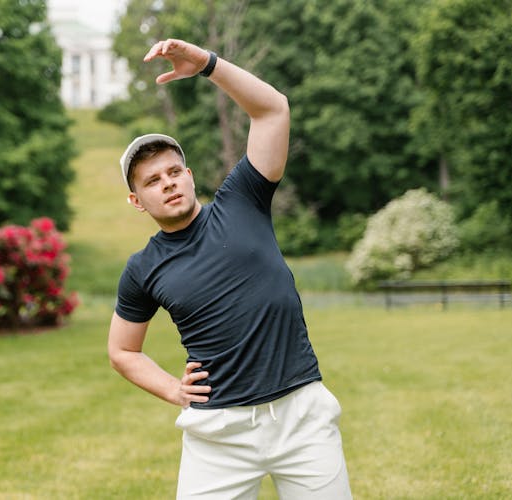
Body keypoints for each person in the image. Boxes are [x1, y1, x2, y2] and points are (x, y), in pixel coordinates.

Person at [108, 38, 352, 499]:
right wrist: (173, 390)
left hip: (301, 415)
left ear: (190, 174)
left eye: (174, 171)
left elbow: (273, 110)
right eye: (153, 181)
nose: (169, 184)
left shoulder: (242, 200)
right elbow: (123, 351)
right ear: (137, 201)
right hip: (218, 433)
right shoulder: (143, 269)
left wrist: (206, 64)